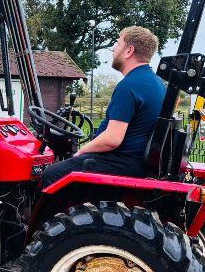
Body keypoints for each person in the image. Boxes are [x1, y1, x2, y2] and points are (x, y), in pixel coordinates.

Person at [41, 25, 165, 187]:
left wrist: (81, 152)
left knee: (51, 174)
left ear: (129, 51)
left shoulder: (129, 86)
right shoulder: (158, 84)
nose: (114, 49)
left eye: (118, 44)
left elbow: (112, 139)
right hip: (136, 163)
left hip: (119, 162)